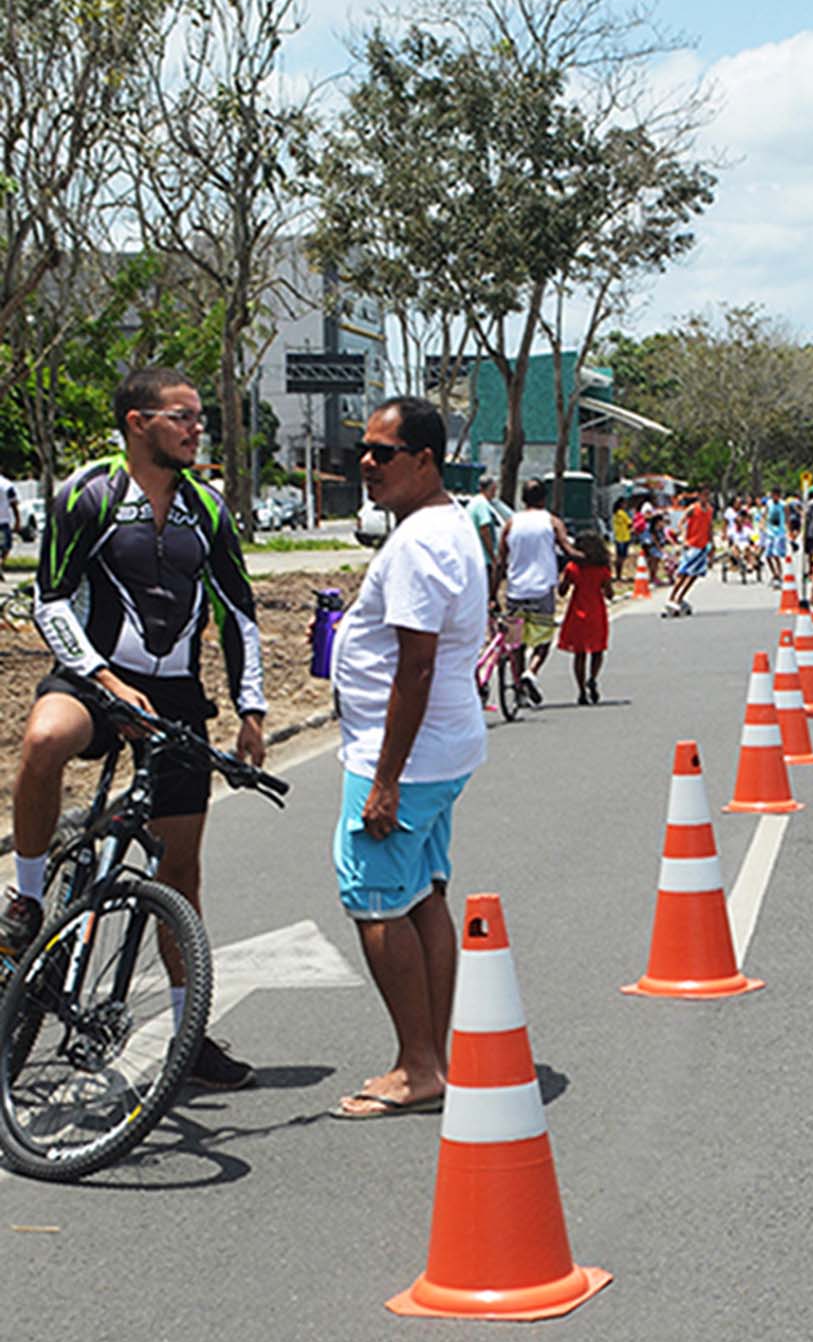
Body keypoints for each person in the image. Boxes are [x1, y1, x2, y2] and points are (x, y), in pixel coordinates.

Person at [3, 366, 267, 1091]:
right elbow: (49, 601)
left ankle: (190, 1035)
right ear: (136, 422)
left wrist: (252, 711)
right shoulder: (87, 494)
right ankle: (26, 899)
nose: (194, 428)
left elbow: (240, 614)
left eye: (198, 418)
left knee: (179, 874)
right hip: (95, 676)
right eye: (180, 416)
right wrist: (107, 681)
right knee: (44, 739)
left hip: (176, 695)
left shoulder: (207, 511)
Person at [328, 396, 487, 1118]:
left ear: (425, 460)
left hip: (405, 758)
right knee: (422, 895)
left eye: (382, 453)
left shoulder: (422, 542)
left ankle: (417, 1066)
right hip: (440, 749)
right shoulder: (444, 525)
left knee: (375, 902)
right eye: (361, 450)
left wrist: (384, 779)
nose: (366, 463)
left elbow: (414, 667)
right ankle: (432, 1057)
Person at [499, 479, 572, 704]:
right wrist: (589, 557)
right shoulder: (551, 521)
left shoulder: (511, 523)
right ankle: (531, 672)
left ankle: (519, 688)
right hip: (542, 590)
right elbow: (567, 548)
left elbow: (501, 560)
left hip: (515, 591)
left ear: (523, 499)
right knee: (543, 638)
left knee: (515, 642)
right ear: (544, 498)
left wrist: (493, 593)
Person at [557, 529, 614, 705]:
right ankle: (593, 678)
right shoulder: (602, 568)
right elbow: (609, 593)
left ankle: (581, 689)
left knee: (579, 653)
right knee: (598, 650)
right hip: (596, 610)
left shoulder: (573, 568)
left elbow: (562, 591)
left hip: (577, 610)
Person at [464, 471, 511, 605]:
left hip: (474, 555)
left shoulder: (473, 503)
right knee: (486, 594)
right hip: (483, 557)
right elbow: (484, 529)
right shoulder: (482, 505)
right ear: (492, 488)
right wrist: (493, 555)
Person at [665, 489, 713, 617]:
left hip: (702, 546)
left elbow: (709, 527)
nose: (706, 498)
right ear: (699, 496)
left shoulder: (709, 510)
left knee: (694, 575)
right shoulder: (693, 508)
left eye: (707, 495)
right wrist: (683, 536)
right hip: (691, 545)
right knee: (683, 573)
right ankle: (672, 597)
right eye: (703, 495)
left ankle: (680, 597)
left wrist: (711, 545)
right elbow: (681, 522)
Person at [610, 498, 633, 580]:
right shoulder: (622, 513)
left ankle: (618, 574)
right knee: (621, 557)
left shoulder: (615, 514)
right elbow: (629, 523)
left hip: (618, 537)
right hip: (623, 537)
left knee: (620, 557)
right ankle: (618, 574)